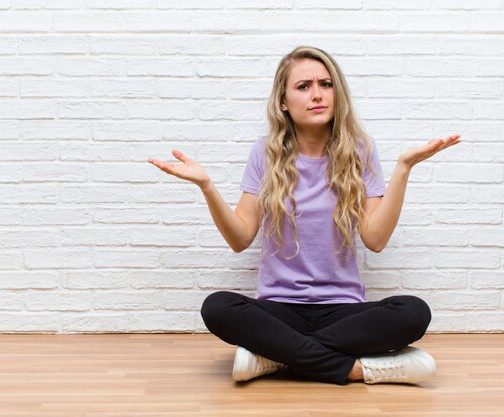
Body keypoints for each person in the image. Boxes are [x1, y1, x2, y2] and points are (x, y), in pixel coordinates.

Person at [148, 46, 460, 385]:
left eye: (326, 84)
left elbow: (376, 240)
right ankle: (357, 369)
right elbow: (240, 238)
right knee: (217, 307)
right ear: (283, 101)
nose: (317, 95)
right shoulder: (265, 152)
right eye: (303, 86)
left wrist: (403, 168)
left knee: (413, 313)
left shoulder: (361, 150)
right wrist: (207, 186)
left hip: (342, 311)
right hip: (279, 310)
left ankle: (273, 358)